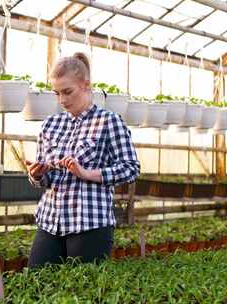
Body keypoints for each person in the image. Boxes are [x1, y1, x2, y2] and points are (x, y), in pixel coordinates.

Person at [25, 52, 140, 268]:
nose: (62, 100)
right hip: (50, 221)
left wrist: (87, 174)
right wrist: (37, 174)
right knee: (37, 285)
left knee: (84, 290)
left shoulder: (109, 121)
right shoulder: (50, 124)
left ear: (86, 85)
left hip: (90, 223)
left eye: (68, 92)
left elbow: (131, 168)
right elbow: (44, 181)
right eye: (57, 93)